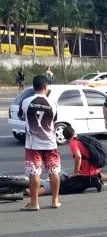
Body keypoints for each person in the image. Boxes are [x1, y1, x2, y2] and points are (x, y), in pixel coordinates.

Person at [19, 74, 61, 211]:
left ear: (34, 86)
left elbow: (21, 116)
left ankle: (34, 203)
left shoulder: (26, 102)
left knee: (34, 173)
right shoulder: (52, 103)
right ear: (45, 87)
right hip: (50, 143)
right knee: (53, 171)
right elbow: (54, 120)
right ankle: (55, 200)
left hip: (32, 144)